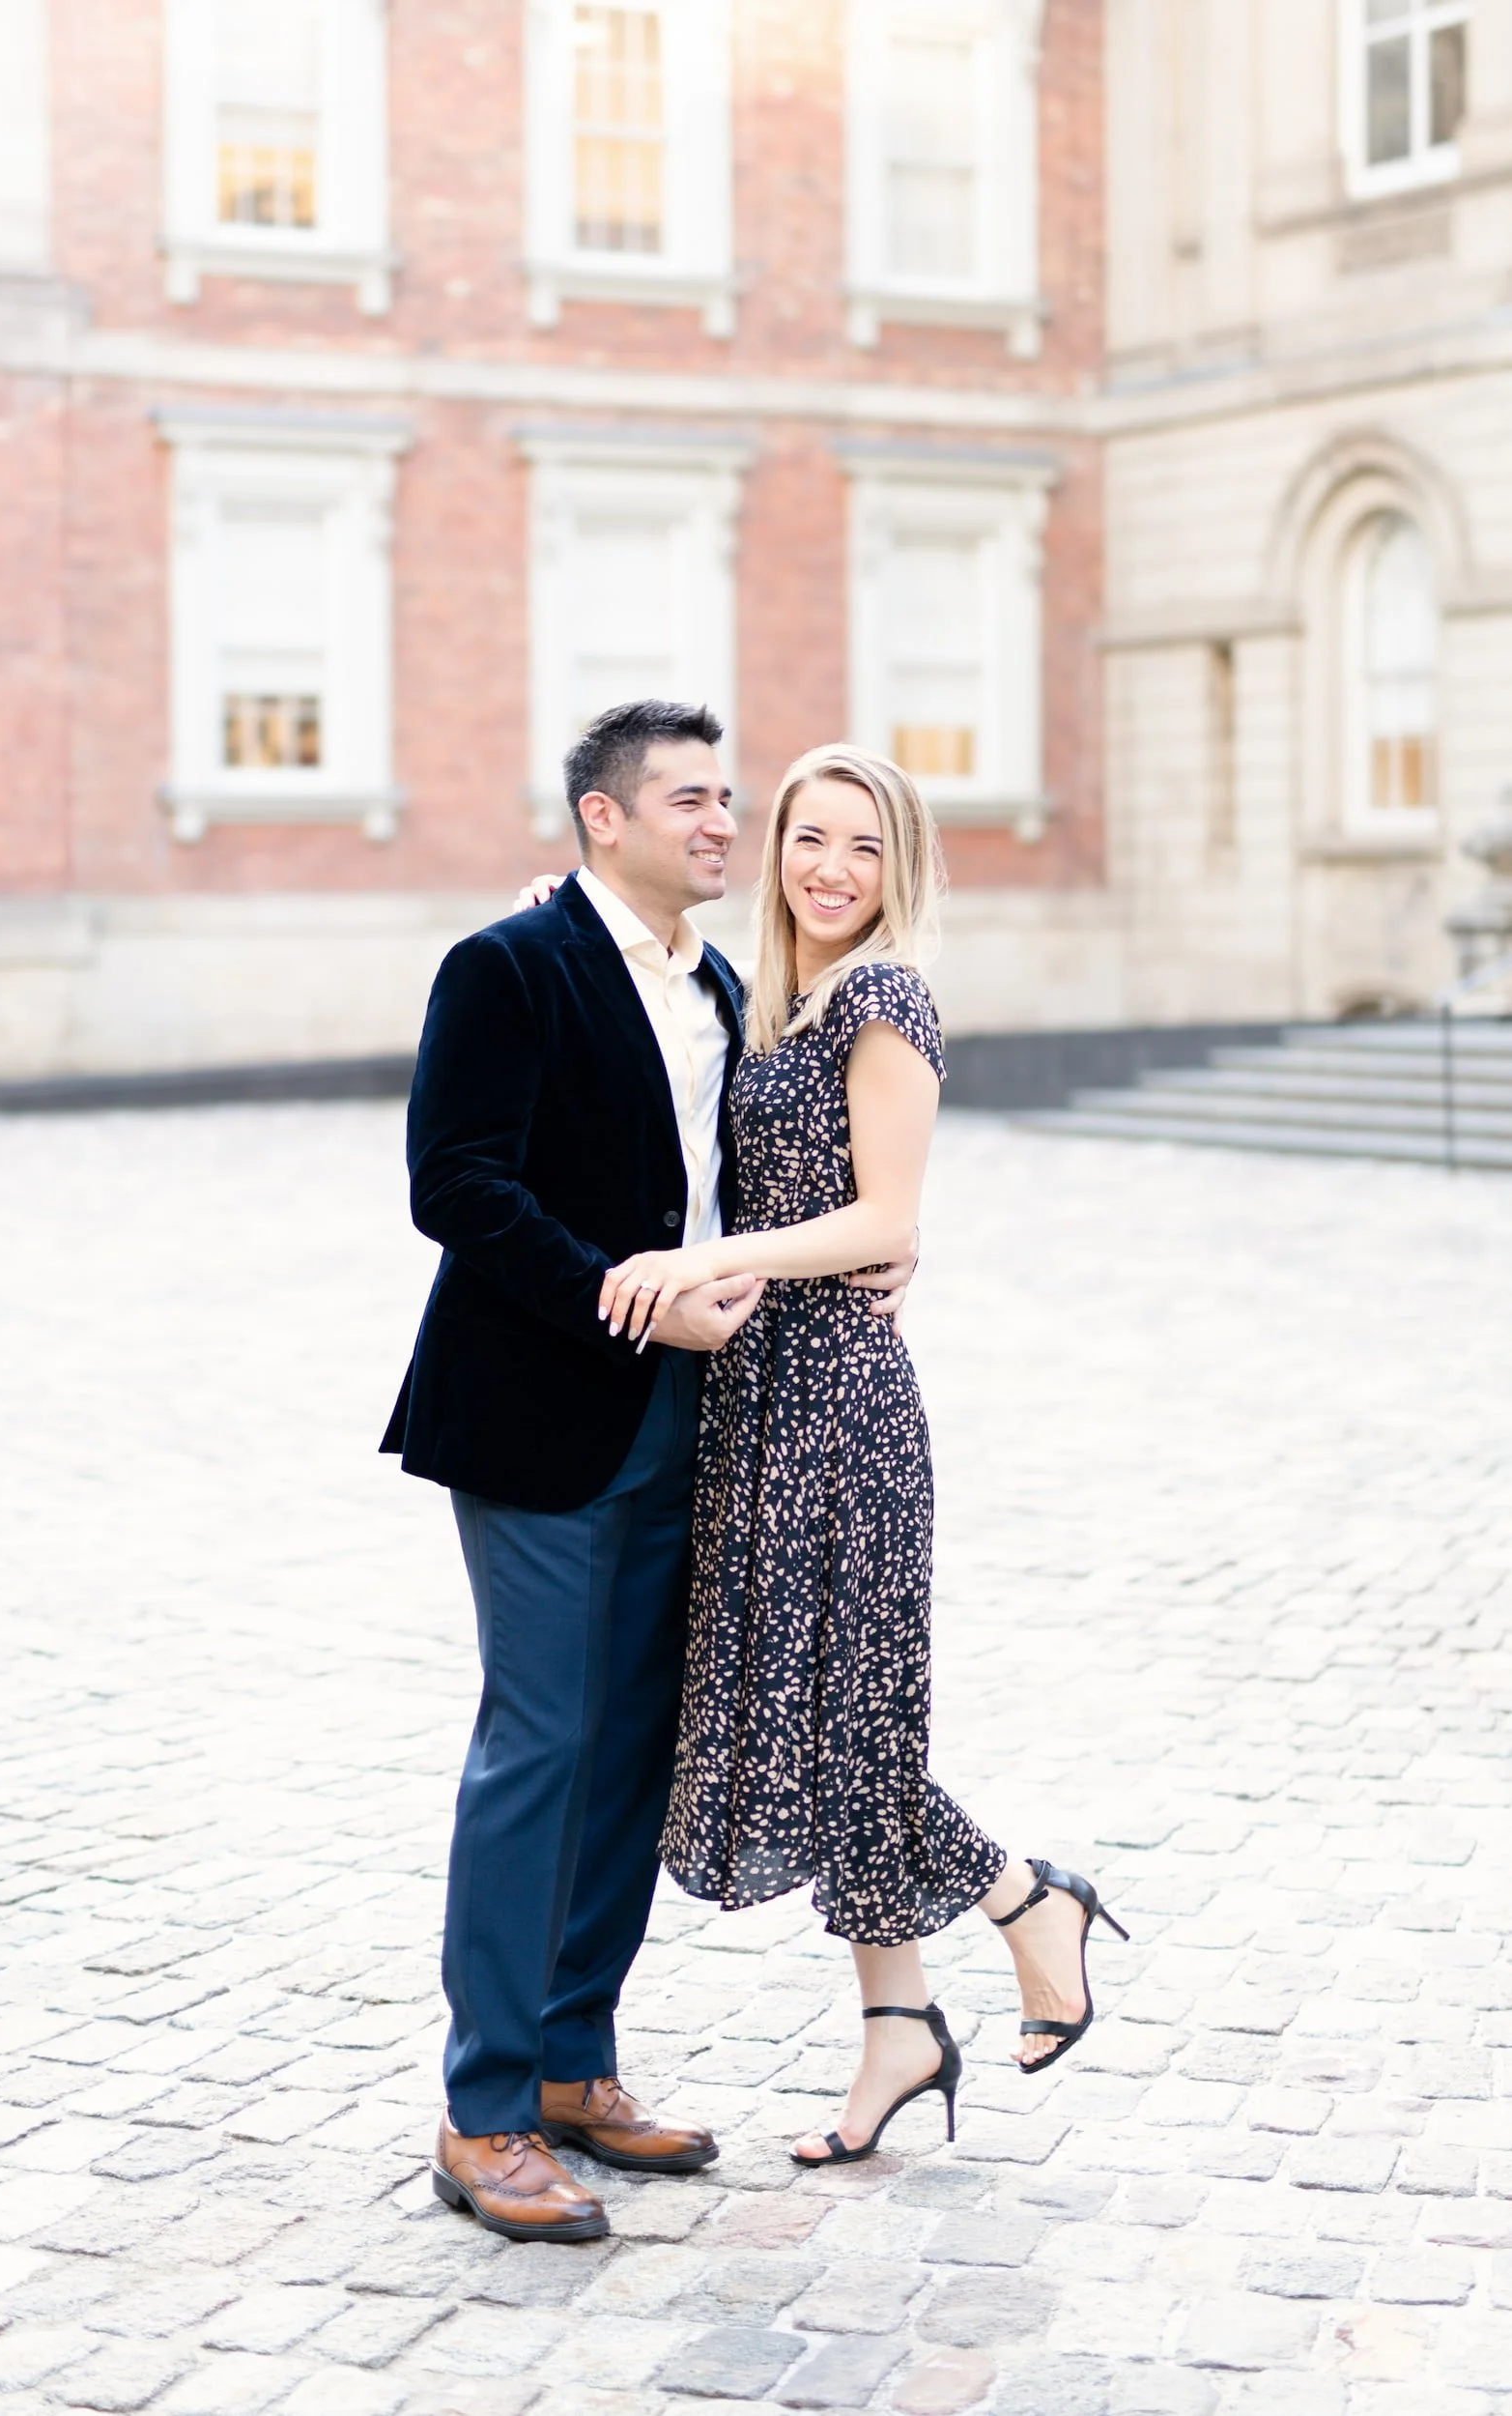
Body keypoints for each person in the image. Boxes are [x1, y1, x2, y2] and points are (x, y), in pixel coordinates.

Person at [381, 701, 916, 2241]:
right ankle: (482, 2112)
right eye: (688, 800)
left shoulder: (724, 984)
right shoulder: (505, 966)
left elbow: (781, 1184)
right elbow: (454, 1183)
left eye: (723, 797)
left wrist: (892, 1238)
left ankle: (570, 2063)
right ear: (601, 819)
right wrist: (626, 1290)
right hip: (541, 1414)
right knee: (538, 1746)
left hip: (698, 1424)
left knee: (627, 1752)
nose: (719, 823)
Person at [597, 743, 1127, 2165]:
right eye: (808, 838)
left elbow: (885, 1216)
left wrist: (717, 1255)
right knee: (826, 1718)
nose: (830, 868)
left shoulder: (884, 996)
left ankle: (1025, 1899)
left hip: (838, 1401)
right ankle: (898, 2025)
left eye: (864, 847)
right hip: (753, 1402)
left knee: (841, 1728)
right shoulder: (768, 1000)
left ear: (900, 870)